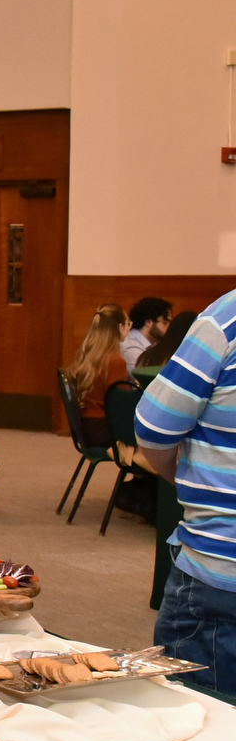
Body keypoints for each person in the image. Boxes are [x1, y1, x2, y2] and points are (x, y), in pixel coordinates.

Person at [138, 293, 236, 692]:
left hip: (220, 576)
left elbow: (155, 426)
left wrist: (181, 479)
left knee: (199, 733)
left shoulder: (226, 321)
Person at [65, 304, 132, 447]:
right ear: (119, 328)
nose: (129, 329)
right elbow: (120, 405)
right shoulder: (115, 360)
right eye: (128, 324)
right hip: (103, 429)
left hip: (87, 427)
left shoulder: (89, 355)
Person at [122, 296, 173, 376]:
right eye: (165, 323)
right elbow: (143, 379)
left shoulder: (153, 345)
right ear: (148, 322)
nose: (169, 327)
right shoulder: (131, 347)